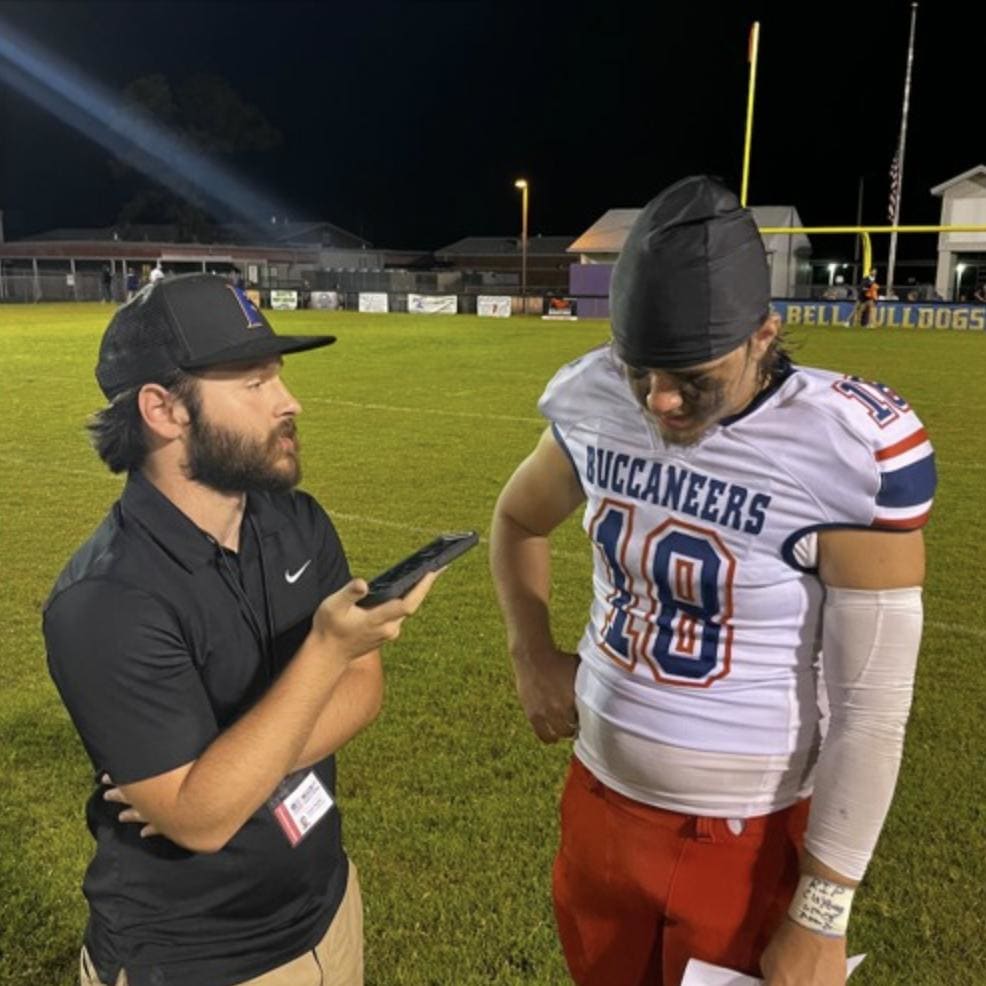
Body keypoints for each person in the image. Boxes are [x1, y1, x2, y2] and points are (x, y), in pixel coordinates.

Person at [490, 176, 934, 986]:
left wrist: (822, 914)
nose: (659, 400)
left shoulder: (840, 449)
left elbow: (871, 712)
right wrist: (531, 653)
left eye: (690, 376)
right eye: (640, 369)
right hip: (598, 802)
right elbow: (517, 520)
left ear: (765, 335)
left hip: (747, 838)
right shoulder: (596, 401)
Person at [44, 273, 439, 986]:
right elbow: (203, 824)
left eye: (277, 377)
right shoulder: (104, 599)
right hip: (196, 958)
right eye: (253, 385)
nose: (289, 402)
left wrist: (221, 779)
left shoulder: (297, 522)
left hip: (327, 905)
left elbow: (364, 692)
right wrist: (325, 651)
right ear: (163, 410)